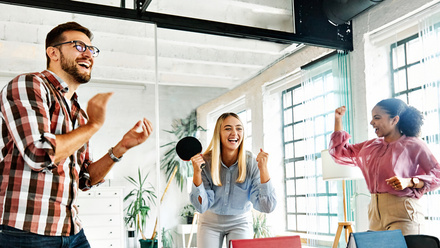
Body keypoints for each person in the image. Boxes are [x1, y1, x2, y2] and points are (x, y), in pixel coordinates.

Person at [0, 22, 153, 247]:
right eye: (79, 46)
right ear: (53, 52)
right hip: (25, 231)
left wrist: (122, 147)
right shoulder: (29, 84)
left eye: (92, 50)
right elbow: (39, 154)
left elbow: (84, 178)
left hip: (71, 231)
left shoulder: (78, 113)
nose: (89, 54)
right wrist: (93, 125)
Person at [329, 98, 440, 235]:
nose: (371, 122)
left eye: (377, 118)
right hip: (375, 213)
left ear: (395, 120)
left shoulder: (414, 144)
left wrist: (409, 181)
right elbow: (341, 152)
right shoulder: (371, 145)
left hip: (403, 212)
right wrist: (338, 120)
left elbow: (437, 175)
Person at [189, 112, 276, 248]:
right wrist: (196, 172)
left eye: (239, 128)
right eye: (228, 128)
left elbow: (267, 207)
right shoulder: (205, 162)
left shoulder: (251, 163)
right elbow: (201, 206)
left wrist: (263, 169)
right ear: (218, 133)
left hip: (240, 221)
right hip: (209, 222)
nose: (234, 133)